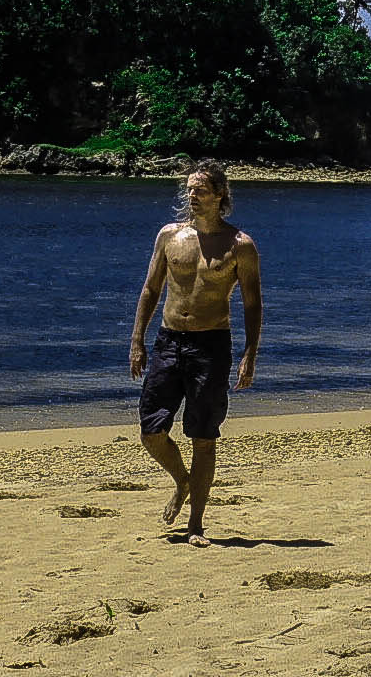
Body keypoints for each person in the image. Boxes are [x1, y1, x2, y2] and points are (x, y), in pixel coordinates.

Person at [129, 159, 262, 547]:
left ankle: (196, 525)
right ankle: (183, 481)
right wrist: (137, 340)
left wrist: (250, 355)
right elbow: (151, 289)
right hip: (169, 342)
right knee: (152, 430)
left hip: (211, 346)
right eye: (188, 189)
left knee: (204, 436)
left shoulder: (241, 246)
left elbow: (252, 304)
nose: (192, 196)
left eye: (200, 190)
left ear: (220, 195)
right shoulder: (170, 236)